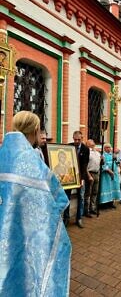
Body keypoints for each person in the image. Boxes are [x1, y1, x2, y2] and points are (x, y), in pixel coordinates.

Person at [0, 111, 71, 296]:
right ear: (35, 129)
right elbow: (58, 199)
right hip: (25, 230)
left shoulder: (3, 155)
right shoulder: (31, 160)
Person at [64, 130, 90, 228]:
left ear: (82, 139)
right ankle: (66, 218)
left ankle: (79, 218)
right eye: (75, 139)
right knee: (67, 197)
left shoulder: (86, 149)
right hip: (69, 177)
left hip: (80, 177)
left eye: (79, 139)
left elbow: (85, 165)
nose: (77, 141)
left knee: (81, 197)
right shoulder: (68, 146)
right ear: (73, 138)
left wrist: (82, 179)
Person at [100, 143, 121, 207]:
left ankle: (111, 202)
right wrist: (109, 171)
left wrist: (116, 158)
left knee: (113, 187)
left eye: (110, 147)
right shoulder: (103, 155)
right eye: (107, 147)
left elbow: (118, 163)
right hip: (106, 175)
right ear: (104, 148)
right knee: (106, 188)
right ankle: (104, 203)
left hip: (114, 174)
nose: (109, 149)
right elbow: (103, 165)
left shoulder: (112, 155)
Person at [84, 139, 101, 216]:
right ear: (87, 144)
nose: (93, 144)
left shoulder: (97, 153)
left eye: (93, 143)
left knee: (95, 192)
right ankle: (86, 210)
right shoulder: (87, 152)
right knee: (88, 193)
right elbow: (85, 166)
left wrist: (102, 160)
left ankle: (92, 208)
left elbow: (100, 163)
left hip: (97, 173)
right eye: (90, 144)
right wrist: (88, 175)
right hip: (90, 174)